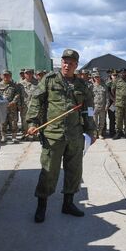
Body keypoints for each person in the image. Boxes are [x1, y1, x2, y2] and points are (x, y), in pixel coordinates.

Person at [26, 49, 96, 223]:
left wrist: (91, 130)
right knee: (49, 171)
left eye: (71, 63)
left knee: (74, 171)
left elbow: (89, 109)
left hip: (75, 135)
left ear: (76, 65)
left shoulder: (82, 85)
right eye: (65, 61)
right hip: (53, 134)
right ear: (61, 62)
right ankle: (42, 206)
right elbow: (36, 101)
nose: (67, 65)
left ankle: (68, 204)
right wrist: (32, 123)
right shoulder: (49, 80)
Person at [0, 70, 22, 143]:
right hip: (2, 107)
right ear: (2, 76)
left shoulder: (14, 85)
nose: (6, 77)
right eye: (4, 75)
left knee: (13, 122)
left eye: (7, 75)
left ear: (10, 76)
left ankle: (14, 137)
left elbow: (17, 94)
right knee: (3, 122)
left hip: (12, 107)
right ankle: (4, 137)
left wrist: (13, 102)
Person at [91, 72, 109, 139]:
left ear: (100, 77)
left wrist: (107, 105)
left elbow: (107, 97)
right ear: (94, 78)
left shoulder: (104, 86)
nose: (97, 78)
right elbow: (90, 97)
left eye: (98, 77)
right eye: (95, 77)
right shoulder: (92, 86)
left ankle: (100, 134)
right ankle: (95, 134)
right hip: (94, 107)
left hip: (102, 107)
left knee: (102, 122)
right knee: (94, 122)